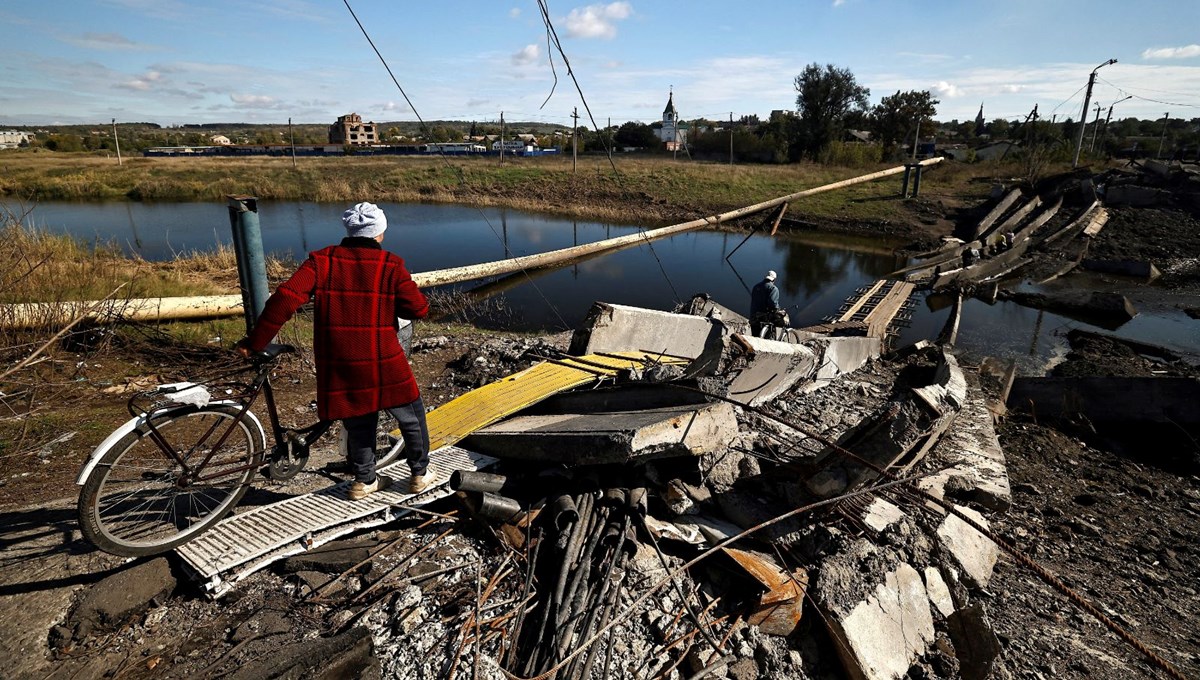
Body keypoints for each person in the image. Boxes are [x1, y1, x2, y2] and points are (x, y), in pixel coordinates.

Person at [236, 202, 432, 500]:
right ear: (380, 233)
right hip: (383, 359)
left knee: (358, 419)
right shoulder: (391, 265)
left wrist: (255, 342)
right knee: (411, 414)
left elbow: (285, 299)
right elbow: (418, 308)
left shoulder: (321, 261)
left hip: (341, 359)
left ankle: (364, 481)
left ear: (349, 230)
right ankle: (419, 474)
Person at [749, 270, 782, 337]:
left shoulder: (756, 287)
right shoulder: (773, 289)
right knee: (768, 339)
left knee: (755, 338)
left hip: (754, 318)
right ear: (774, 279)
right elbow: (773, 304)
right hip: (765, 319)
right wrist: (779, 310)